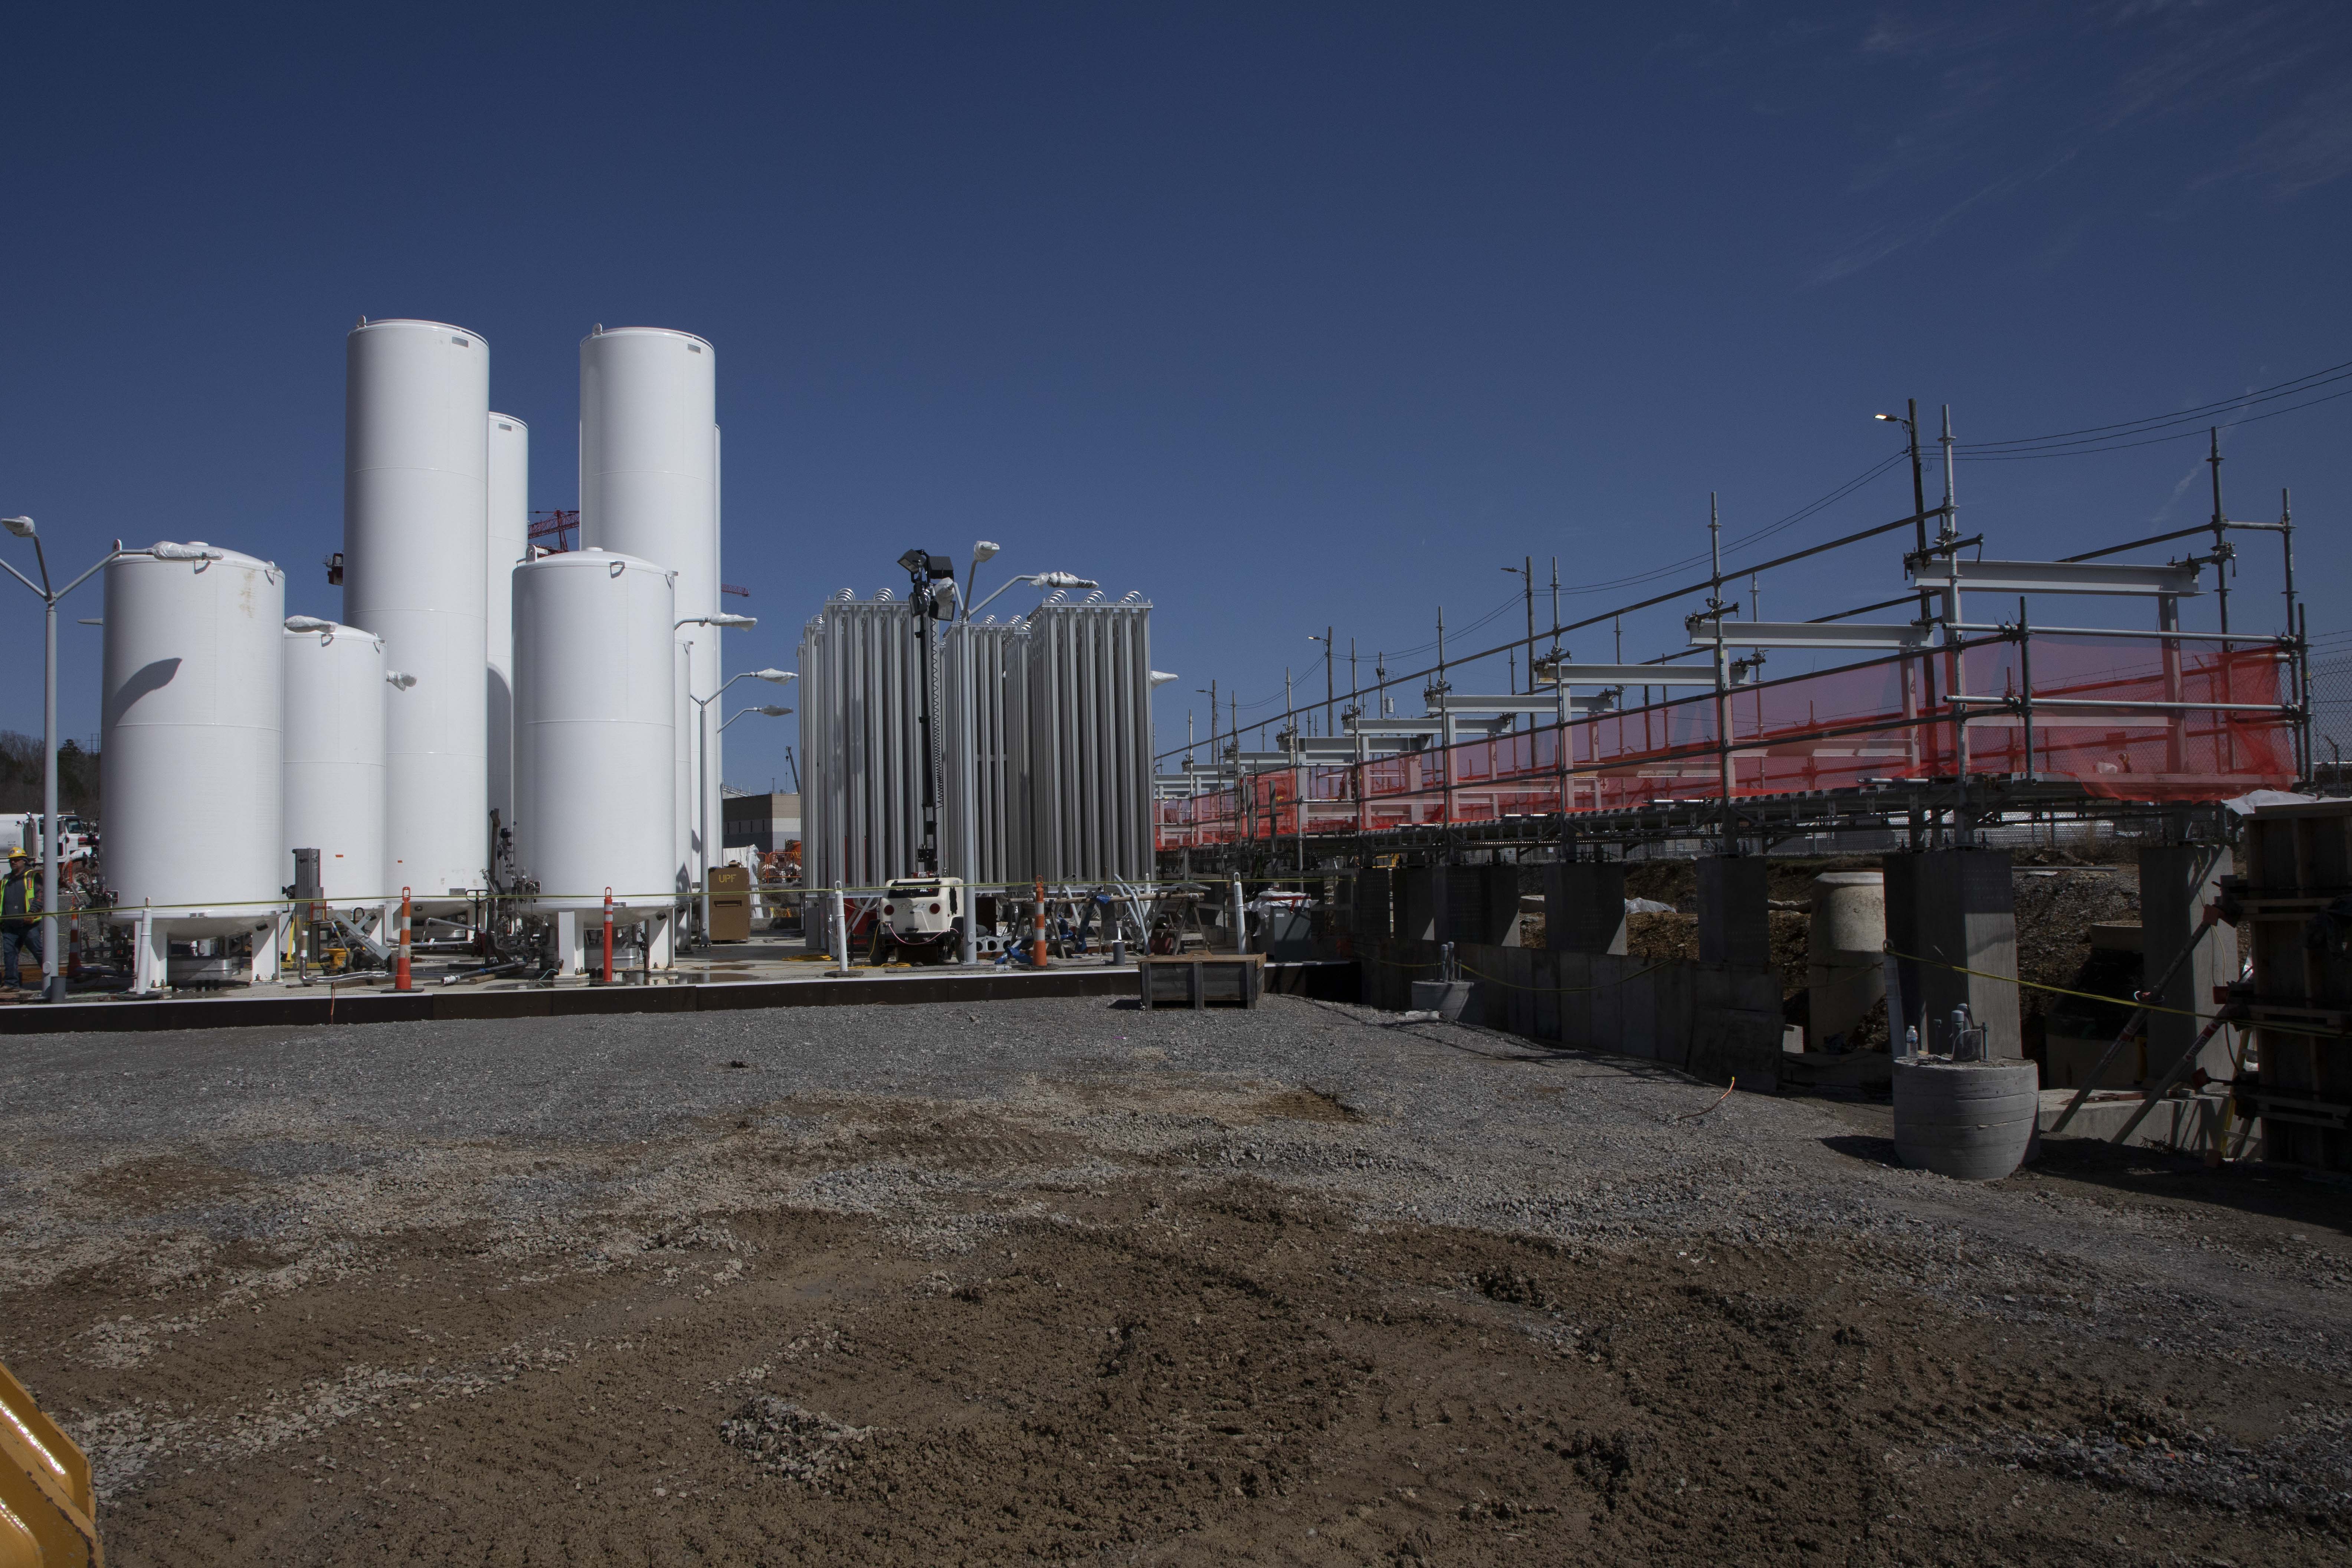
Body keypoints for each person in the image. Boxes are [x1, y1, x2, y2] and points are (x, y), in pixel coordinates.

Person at [0, 847, 41, 991]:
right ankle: (11, 984)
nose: (13, 863)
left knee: (38, 951)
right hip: (10, 924)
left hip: (29, 925)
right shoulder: (6, 879)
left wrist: (32, 913)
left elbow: (40, 896)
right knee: (9, 954)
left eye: (16, 860)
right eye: (11, 860)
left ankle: (51, 978)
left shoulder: (32, 876)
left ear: (24, 861)